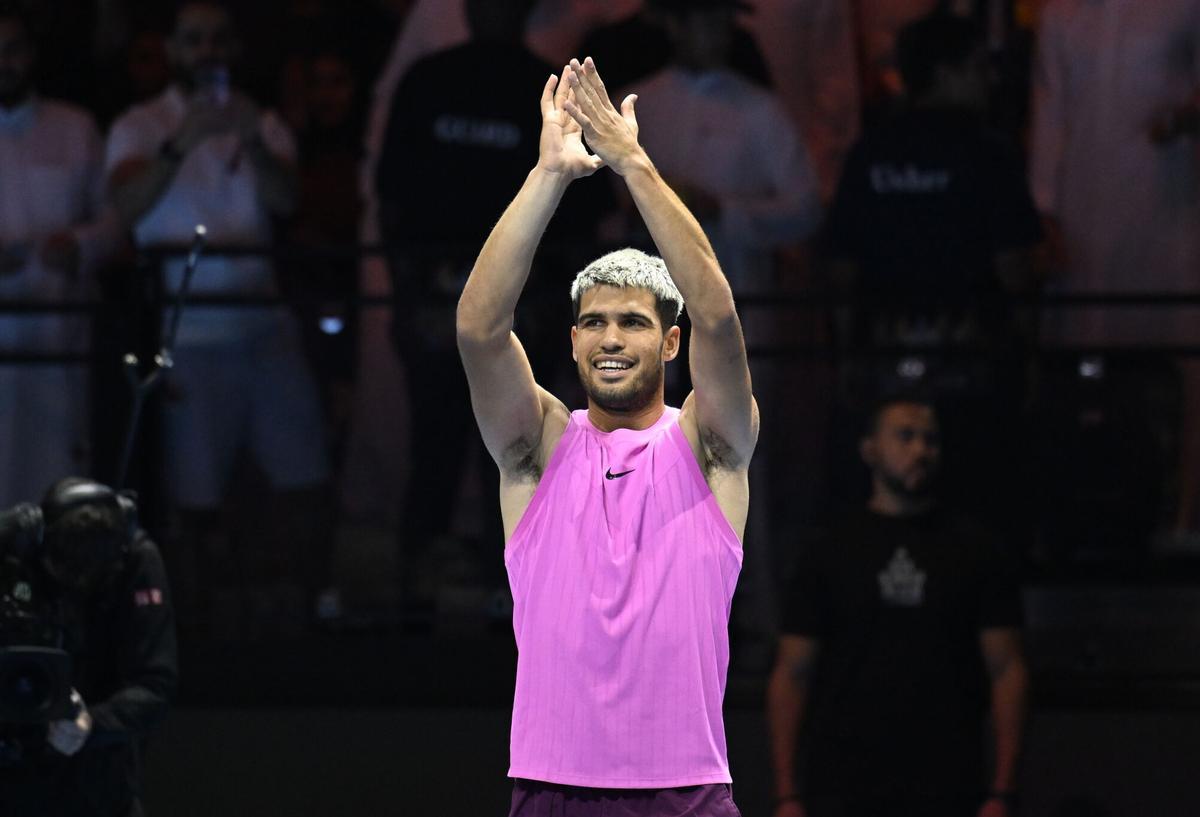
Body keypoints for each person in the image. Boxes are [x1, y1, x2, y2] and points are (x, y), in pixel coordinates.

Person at [457, 57, 757, 814]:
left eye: (632, 321)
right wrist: (549, 176)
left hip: (685, 789)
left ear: (670, 343)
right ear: (573, 340)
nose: (610, 337)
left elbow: (718, 312)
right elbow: (478, 329)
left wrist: (631, 162)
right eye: (593, 321)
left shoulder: (707, 445)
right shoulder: (540, 450)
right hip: (550, 787)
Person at [104, 0, 331, 635]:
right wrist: (182, 145)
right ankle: (195, 635)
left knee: (304, 479)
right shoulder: (140, 124)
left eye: (218, 39)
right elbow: (126, 205)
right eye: (193, 40)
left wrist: (251, 139)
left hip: (265, 327)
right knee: (193, 497)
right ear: (173, 49)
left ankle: (308, 620)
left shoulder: (262, 121)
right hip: (187, 334)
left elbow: (286, 202)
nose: (207, 51)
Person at [767, 396, 1029, 817]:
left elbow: (1008, 671)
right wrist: (786, 794)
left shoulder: (975, 549)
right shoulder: (830, 550)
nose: (921, 450)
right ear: (869, 449)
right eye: (905, 436)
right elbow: (792, 673)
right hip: (842, 783)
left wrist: (1002, 791)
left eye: (931, 440)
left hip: (949, 782)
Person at [1029, 0, 1200, 542]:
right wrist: (1044, 208)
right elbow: (1049, 107)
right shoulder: (1061, 11)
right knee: (1085, 353)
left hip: (1164, 201)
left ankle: (1183, 517)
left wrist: (1184, 116)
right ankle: (1082, 515)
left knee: (1177, 359)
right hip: (1084, 203)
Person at [0, 2, 120, 508]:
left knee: (61, 483)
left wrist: (79, 245)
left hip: (61, 342)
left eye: (11, 50)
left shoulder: (76, 127)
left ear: (30, 55)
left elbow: (116, 220)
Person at [0, 478, 179, 817]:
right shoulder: (14, 553)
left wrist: (92, 724)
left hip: (99, 784)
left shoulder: (136, 561)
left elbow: (156, 685)